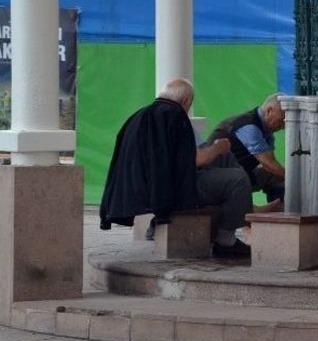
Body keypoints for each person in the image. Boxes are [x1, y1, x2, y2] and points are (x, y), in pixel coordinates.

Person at [100, 78, 254, 258]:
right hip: (174, 191)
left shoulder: (138, 116)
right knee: (238, 180)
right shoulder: (174, 116)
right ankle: (226, 240)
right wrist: (218, 147)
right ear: (186, 101)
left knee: (225, 158)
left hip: (145, 190)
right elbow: (196, 160)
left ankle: (244, 206)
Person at [208, 94, 286, 202]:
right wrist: (293, 178)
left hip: (237, 173)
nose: (283, 127)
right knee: (277, 172)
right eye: (282, 121)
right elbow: (268, 163)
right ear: (269, 111)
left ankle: (279, 211)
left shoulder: (266, 130)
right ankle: (271, 211)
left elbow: (271, 164)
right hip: (219, 179)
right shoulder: (249, 126)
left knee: (275, 175)